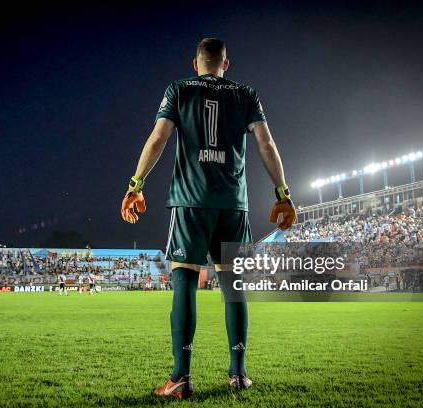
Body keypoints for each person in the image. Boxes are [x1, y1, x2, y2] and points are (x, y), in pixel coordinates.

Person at [120, 38, 296, 398]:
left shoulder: (179, 89)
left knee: (184, 280)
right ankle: (239, 373)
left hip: (191, 202)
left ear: (194, 62)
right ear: (225, 64)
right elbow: (266, 144)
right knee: (233, 288)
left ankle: (181, 377)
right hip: (234, 204)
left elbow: (158, 139)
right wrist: (283, 194)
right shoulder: (246, 93)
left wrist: (136, 184)